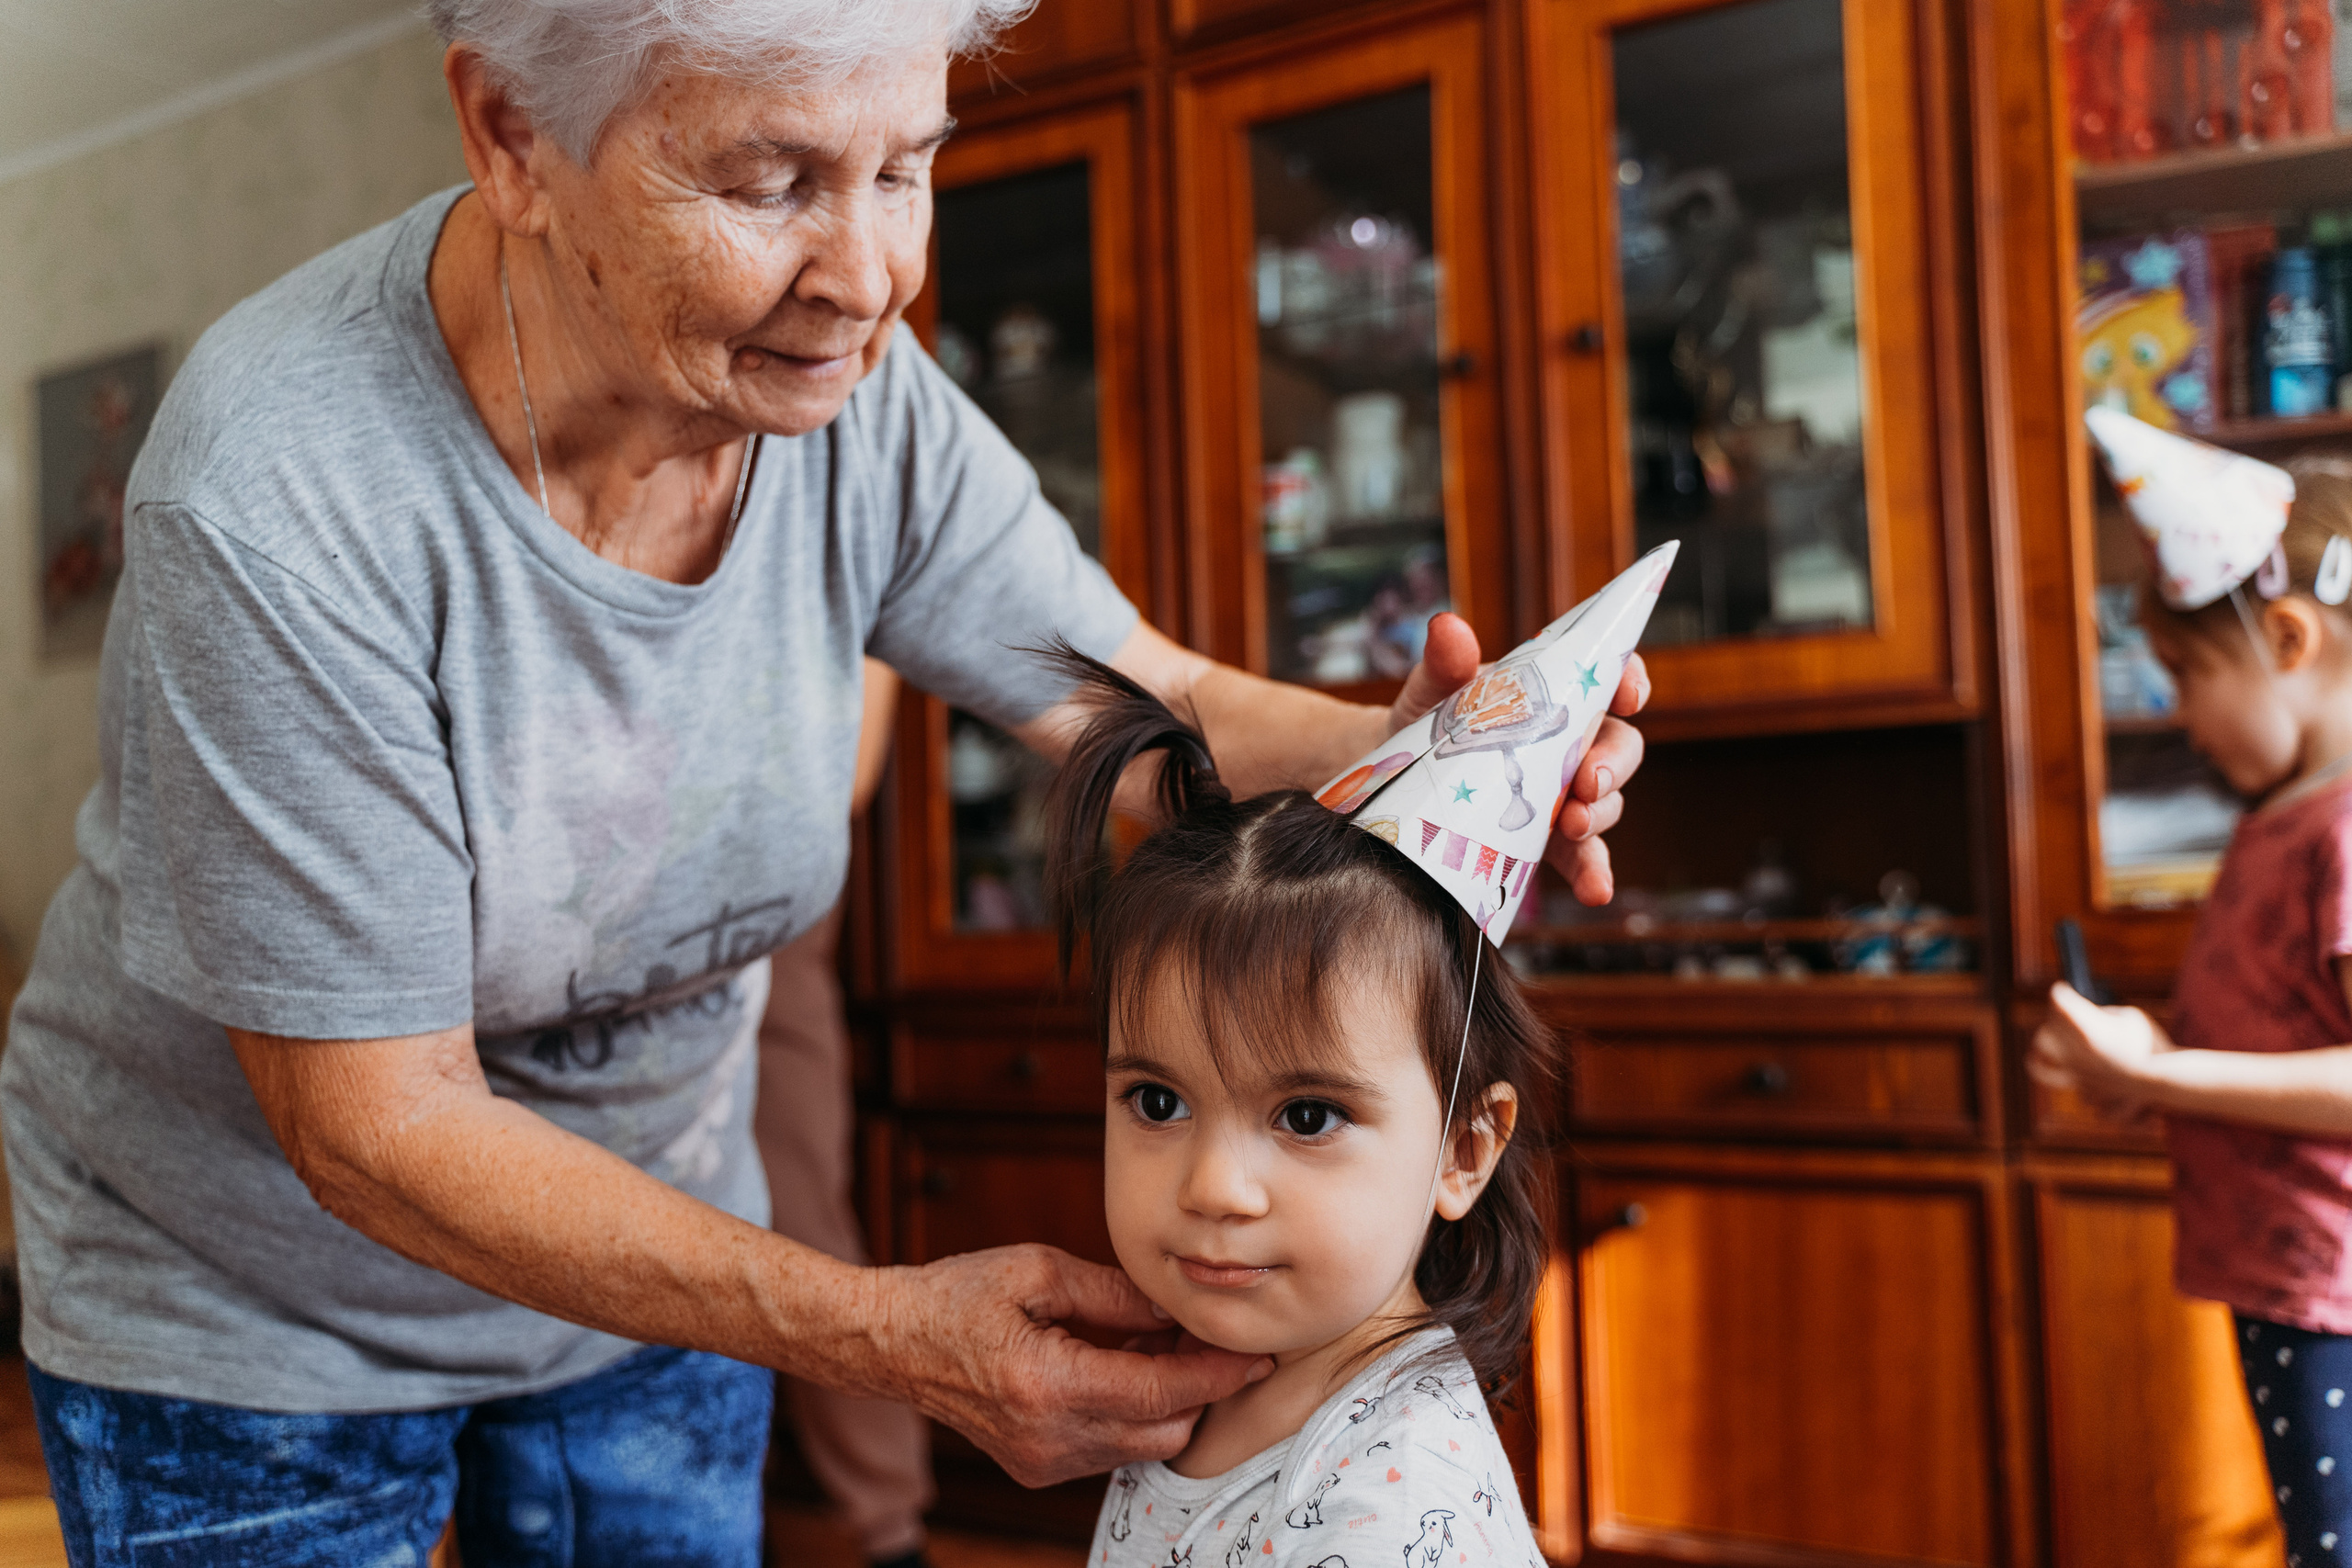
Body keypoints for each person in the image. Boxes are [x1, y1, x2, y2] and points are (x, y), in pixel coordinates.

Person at [0, 0, 1654, 1559]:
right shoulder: (282, 492)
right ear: (511, 135)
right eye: (766, 181)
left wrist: (1417, 744)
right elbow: (379, 1125)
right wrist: (877, 1328)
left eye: (906, 167)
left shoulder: (859, 410)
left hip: (654, 1265)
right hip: (254, 1308)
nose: (868, 280)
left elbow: (1155, 706)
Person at [1039, 554, 1671, 1567]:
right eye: (1157, 1101)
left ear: (1465, 1150)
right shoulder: (1204, 1366)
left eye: (1306, 1117)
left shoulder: (1393, 1507)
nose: (1213, 1189)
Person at [2033, 411, 2352, 1567]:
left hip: (2332, 1296)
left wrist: (2168, 1074)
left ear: (2286, 639)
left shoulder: (2342, 830)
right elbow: (2280, 1026)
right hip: (2284, 1280)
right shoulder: (2281, 821)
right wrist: (2145, 1068)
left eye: (2186, 673)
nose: (2176, 711)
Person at [755, 660, 937, 1568]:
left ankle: (888, 1529)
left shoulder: (845, 593)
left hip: (766, 907)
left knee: (805, 1227)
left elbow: (847, 778)